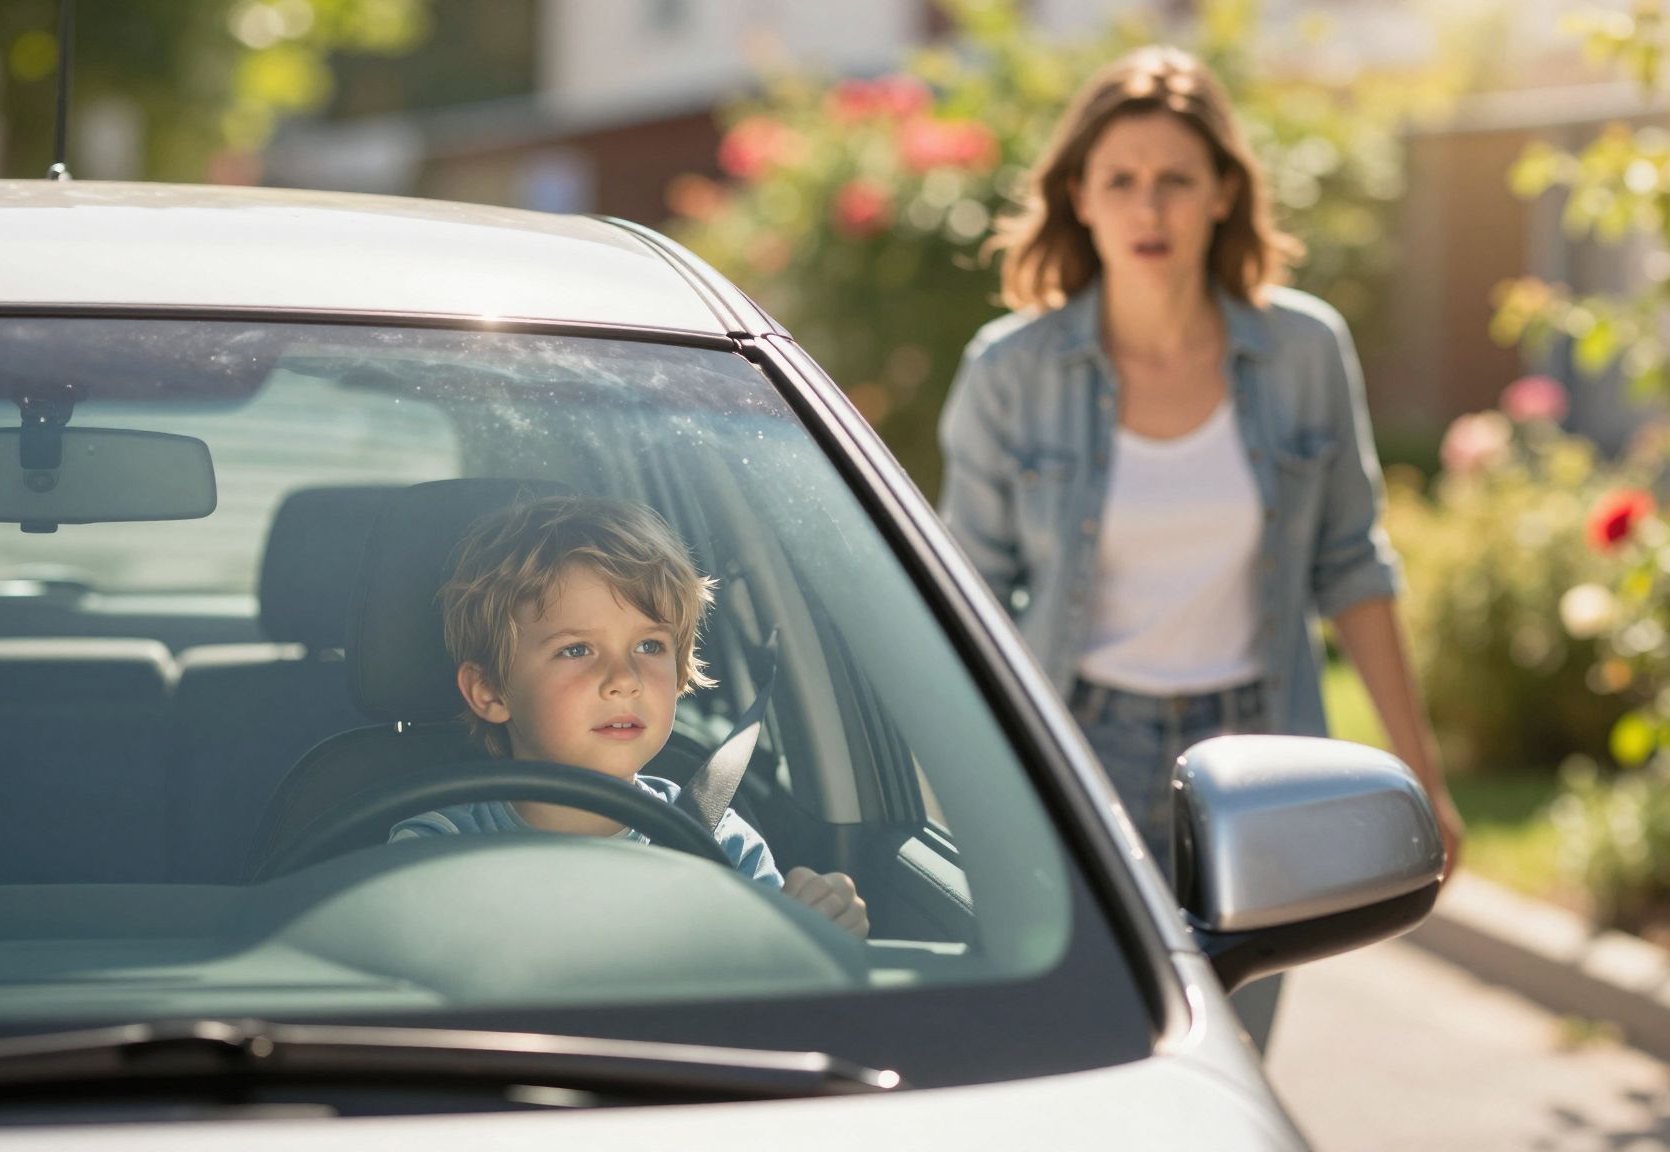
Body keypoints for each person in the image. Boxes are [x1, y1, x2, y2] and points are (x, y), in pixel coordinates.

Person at [937, 45, 1462, 1048]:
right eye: (1120, 181)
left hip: (1259, 761)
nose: (1150, 208)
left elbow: (1352, 564)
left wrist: (1421, 779)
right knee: (1089, 1050)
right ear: (1079, 198)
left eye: (1175, 180)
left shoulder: (1303, 352)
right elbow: (965, 598)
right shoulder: (1010, 372)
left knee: (1233, 1057)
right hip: (1078, 748)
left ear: (1223, 192)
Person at [389, 494, 869, 939]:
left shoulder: (717, 842)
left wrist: (815, 930)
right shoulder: (436, 850)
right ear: (490, 691)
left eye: (649, 646)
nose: (625, 679)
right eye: (576, 650)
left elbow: (776, 979)